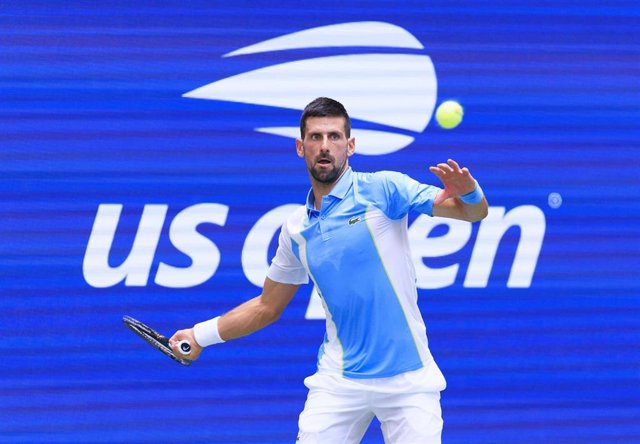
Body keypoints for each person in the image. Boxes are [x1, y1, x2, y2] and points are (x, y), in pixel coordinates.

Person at [170, 97, 488, 443]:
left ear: (350, 146)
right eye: (316, 137)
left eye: (335, 137)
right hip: (339, 381)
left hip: (408, 381)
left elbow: (472, 213)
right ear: (300, 147)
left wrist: (469, 192)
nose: (325, 147)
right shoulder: (295, 230)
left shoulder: (384, 189)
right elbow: (266, 306)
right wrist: (199, 335)